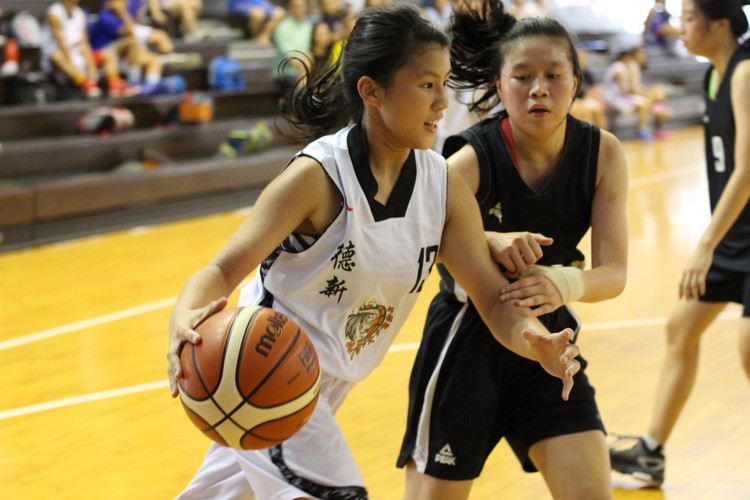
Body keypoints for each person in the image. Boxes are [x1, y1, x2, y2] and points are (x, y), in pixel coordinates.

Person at [166, 4, 583, 499]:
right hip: (265, 367)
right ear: (372, 90)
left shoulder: (442, 187)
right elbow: (223, 268)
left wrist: (533, 339)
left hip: (317, 387)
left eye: (445, 85)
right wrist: (184, 315)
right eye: (426, 85)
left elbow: (493, 301)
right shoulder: (317, 177)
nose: (441, 103)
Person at [397, 2, 629, 499]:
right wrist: (484, 238)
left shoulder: (602, 152)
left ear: (576, 80)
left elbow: (615, 273)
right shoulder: (475, 156)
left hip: (549, 338)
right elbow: (409, 230)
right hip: (468, 342)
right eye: (522, 76)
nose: (538, 88)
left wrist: (561, 282)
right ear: (500, 87)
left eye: (553, 74)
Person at [609, 0, 750, 488]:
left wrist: (705, 243)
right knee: (680, 330)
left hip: (736, 239)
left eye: (688, 17)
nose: (678, 26)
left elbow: (748, 170)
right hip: (736, 239)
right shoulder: (714, 74)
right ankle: (650, 453)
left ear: (720, 24)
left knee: (748, 349)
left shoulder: (745, 72)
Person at [602, 44, 672, 140]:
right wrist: (647, 95)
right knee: (645, 104)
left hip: (623, 97)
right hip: (615, 98)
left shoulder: (630, 67)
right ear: (628, 56)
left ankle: (657, 110)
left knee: (658, 90)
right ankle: (642, 131)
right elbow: (625, 91)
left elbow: (633, 89)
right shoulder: (619, 68)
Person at [570, 48, 609, 130]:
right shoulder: (569, 74)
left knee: (596, 109)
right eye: (580, 59)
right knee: (585, 112)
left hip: (585, 99)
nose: (583, 61)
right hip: (573, 101)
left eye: (584, 58)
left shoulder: (587, 73)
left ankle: (603, 136)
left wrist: (589, 99)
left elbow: (593, 89)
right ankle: (587, 139)